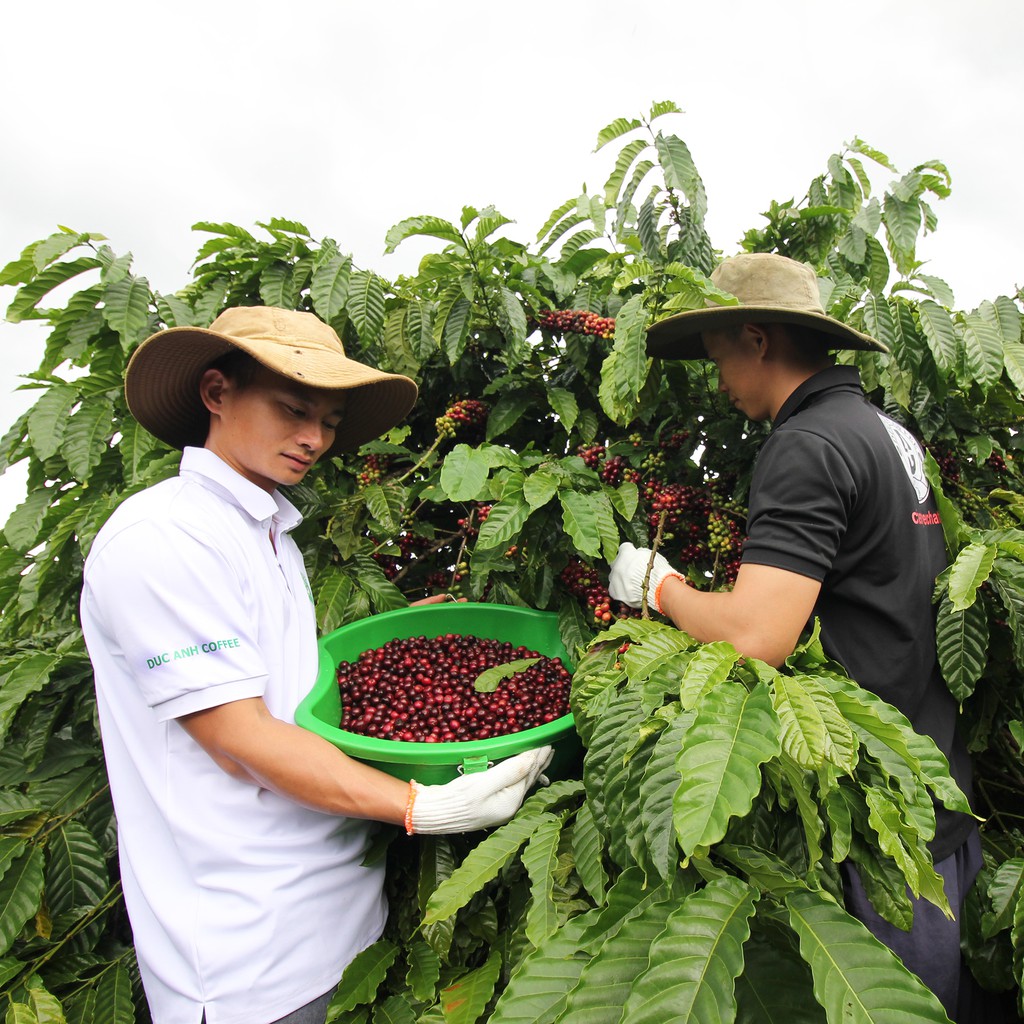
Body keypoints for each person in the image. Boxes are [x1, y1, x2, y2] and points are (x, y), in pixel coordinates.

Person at [80, 305, 551, 1024]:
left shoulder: (265, 529)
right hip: (250, 961)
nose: (314, 439)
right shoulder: (163, 539)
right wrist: (420, 806)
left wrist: (391, 640)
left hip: (339, 929)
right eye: (294, 410)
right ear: (215, 392)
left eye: (329, 422)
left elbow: (281, 684)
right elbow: (241, 739)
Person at [608, 253, 980, 1021]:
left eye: (719, 359)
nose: (720, 381)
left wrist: (661, 587)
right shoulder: (887, 432)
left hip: (873, 829)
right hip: (935, 795)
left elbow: (754, 637)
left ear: (756, 339)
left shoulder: (806, 445)